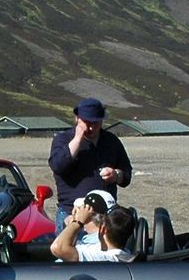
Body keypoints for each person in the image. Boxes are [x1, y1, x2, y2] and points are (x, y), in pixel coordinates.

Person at [49, 97, 133, 226]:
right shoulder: (63, 139)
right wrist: (77, 139)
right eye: (86, 122)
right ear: (77, 119)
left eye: (95, 123)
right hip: (72, 213)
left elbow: (126, 174)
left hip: (105, 215)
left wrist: (116, 175)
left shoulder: (111, 141)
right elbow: (58, 166)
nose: (91, 128)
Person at [49, 189, 135, 262]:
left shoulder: (104, 258)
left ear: (103, 229)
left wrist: (78, 222)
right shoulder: (121, 253)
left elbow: (57, 248)